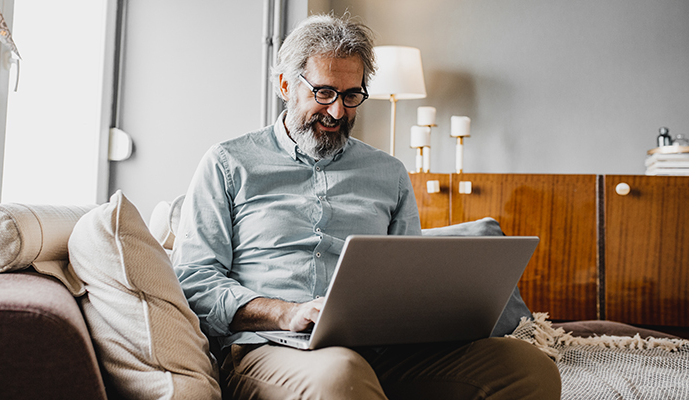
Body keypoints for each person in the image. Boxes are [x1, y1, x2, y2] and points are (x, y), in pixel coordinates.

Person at [172, 14, 561, 400]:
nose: (338, 112)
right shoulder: (228, 162)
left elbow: (412, 276)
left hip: (383, 353)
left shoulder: (388, 172)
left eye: (351, 96)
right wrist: (286, 312)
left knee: (526, 367)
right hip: (272, 348)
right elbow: (194, 281)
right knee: (341, 375)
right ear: (285, 85)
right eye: (323, 93)